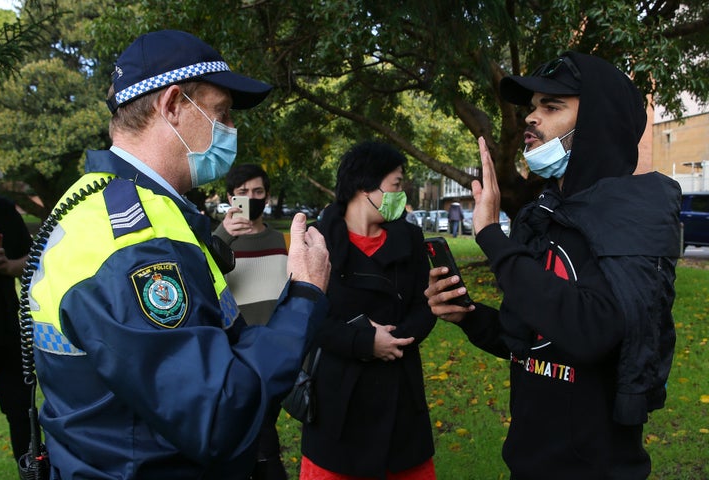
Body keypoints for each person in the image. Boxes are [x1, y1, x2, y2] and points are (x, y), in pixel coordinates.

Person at [25, 30, 331, 480]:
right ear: (171, 106)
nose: (230, 130)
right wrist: (304, 295)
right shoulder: (136, 243)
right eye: (221, 113)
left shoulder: (100, 202)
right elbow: (219, 415)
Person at [425, 52, 681, 479]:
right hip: (528, 464)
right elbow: (528, 343)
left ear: (596, 123)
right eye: (532, 107)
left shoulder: (632, 219)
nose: (531, 117)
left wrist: (491, 235)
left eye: (552, 106)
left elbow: (591, 332)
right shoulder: (541, 217)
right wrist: (468, 316)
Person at [300, 141, 437, 480]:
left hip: (401, 396)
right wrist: (364, 342)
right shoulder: (316, 243)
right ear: (365, 187)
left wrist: (395, 340)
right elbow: (305, 318)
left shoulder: (411, 238)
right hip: (339, 402)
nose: (402, 193)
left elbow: (426, 304)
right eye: (397, 183)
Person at [213, 163, 289, 479]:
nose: (251, 198)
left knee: (262, 432)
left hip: (280, 353)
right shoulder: (216, 240)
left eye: (258, 192)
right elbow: (200, 277)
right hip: (238, 356)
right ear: (230, 199)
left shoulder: (284, 241)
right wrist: (222, 237)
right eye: (243, 193)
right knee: (256, 436)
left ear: (267, 196)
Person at [0, 153, 32, 462]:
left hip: (2, 327)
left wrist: (8, 265)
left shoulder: (3, 210)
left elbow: (32, 259)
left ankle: (31, 471)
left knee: (22, 412)